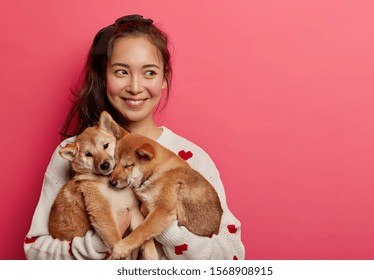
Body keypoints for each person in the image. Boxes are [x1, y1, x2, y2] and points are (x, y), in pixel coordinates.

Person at [24, 14, 245, 260]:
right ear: (104, 77)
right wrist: (101, 241)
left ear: (164, 78)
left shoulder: (190, 156)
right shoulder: (73, 153)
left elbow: (232, 254)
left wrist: (162, 225)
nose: (135, 86)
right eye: (121, 72)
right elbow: (34, 250)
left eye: (149, 72)